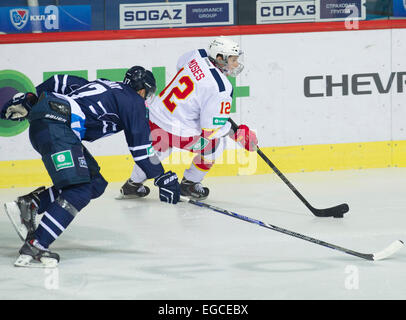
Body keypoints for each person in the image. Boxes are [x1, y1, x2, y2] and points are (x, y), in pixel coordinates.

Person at [1, 66, 181, 267]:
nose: (146, 98)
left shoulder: (103, 84)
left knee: (95, 182)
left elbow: (60, 81)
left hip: (49, 124)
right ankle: (37, 244)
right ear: (142, 91)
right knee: (80, 190)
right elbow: (141, 149)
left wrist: (34, 97)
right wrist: (162, 177)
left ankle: (31, 204)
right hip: (57, 127)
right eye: (147, 94)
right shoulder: (134, 101)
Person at [120, 36, 258, 201]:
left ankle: (132, 185)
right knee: (214, 146)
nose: (235, 64)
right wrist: (238, 133)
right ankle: (190, 184)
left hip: (156, 117)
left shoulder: (197, 55)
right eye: (232, 59)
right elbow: (210, 129)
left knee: (157, 150)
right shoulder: (222, 88)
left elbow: (180, 64)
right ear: (219, 58)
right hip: (179, 132)